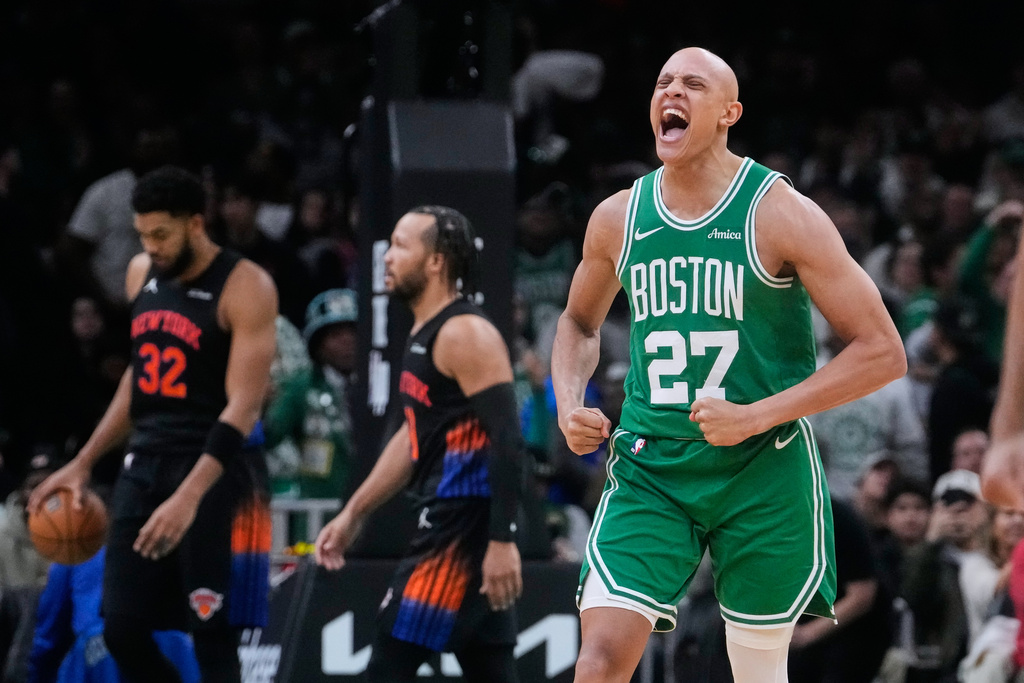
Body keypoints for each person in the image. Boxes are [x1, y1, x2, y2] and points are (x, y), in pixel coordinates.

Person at [550, 47, 907, 683]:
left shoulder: (779, 213)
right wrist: (569, 399)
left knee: (757, 670)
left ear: (728, 113)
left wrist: (754, 416)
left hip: (760, 463)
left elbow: (882, 351)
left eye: (693, 84)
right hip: (653, 461)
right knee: (600, 659)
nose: (672, 93)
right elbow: (579, 322)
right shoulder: (617, 218)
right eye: (662, 83)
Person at [28, 165, 278, 683]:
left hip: (215, 473)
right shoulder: (141, 272)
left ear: (195, 223)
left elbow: (242, 406)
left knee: (213, 638)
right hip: (145, 463)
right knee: (120, 628)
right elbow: (139, 379)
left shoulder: (247, 286)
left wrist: (188, 497)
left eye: (161, 234)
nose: (151, 246)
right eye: (143, 234)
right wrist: (83, 462)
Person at [314, 206, 526, 683]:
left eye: (401, 245)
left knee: (387, 665)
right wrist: (354, 512)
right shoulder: (423, 330)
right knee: (491, 668)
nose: (387, 257)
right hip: (456, 521)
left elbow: (508, 442)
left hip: (461, 529)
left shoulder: (464, 333)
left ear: (436, 262)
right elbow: (413, 437)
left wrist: (501, 540)